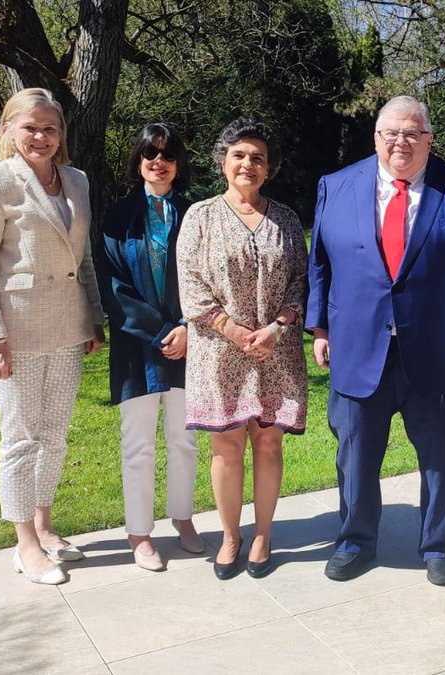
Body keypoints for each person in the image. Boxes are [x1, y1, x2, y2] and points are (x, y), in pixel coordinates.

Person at [307, 95, 445, 586]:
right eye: (391, 133)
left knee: (439, 456)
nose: (401, 142)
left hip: (436, 346)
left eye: (413, 133)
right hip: (357, 344)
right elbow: (319, 262)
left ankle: (438, 545)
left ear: (430, 139)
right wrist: (319, 327)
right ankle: (355, 541)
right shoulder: (337, 185)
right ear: (376, 137)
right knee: (356, 454)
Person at [0, 88, 105, 585]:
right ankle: (24, 544)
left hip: (68, 325)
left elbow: (82, 256)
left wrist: (95, 317)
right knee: (20, 437)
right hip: (16, 332)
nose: (41, 137)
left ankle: (45, 528)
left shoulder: (78, 181)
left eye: (50, 128)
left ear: (61, 134)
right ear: (9, 129)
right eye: (30, 127)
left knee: (55, 434)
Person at [177, 118, 308, 581]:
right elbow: (190, 285)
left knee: (269, 443)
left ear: (268, 168)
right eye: (239, 155)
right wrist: (231, 330)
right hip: (218, 352)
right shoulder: (201, 216)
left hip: (277, 349)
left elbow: (300, 282)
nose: (247, 164)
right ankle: (230, 535)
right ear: (223, 162)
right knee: (226, 446)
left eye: (257, 158)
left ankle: (263, 534)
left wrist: (277, 326)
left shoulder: (287, 220)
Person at [100, 123, 205, 571]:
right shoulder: (117, 216)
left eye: (166, 155)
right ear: (138, 160)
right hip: (137, 347)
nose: (157, 162)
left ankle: (182, 517)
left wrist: (185, 326)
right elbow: (114, 286)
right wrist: (161, 330)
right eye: (149, 154)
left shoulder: (195, 214)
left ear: (178, 164)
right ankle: (139, 534)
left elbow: (207, 276)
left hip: (190, 344)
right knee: (138, 444)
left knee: (185, 441)